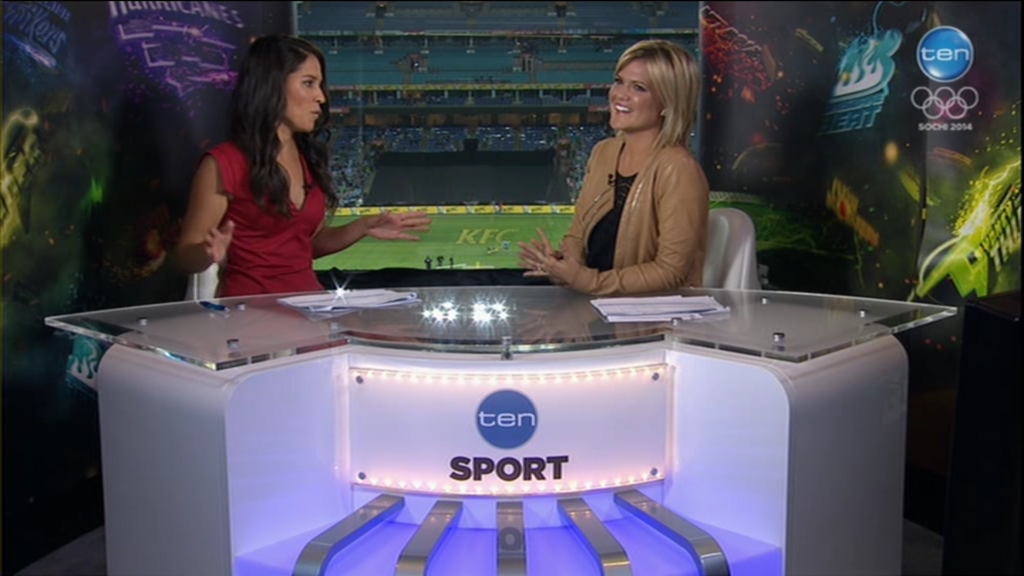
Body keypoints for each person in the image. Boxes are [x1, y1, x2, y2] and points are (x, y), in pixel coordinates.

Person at [175, 35, 431, 297]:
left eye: (320, 85)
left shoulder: (309, 158)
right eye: (308, 83)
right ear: (272, 86)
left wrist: (362, 227)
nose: (321, 97)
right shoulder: (223, 164)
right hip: (250, 312)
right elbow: (185, 257)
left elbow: (306, 245)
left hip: (310, 306)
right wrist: (207, 253)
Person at [518, 39, 709, 296]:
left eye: (639, 88)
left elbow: (670, 271)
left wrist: (586, 280)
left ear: (668, 103)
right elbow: (577, 234)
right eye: (619, 81)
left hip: (650, 310)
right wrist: (564, 267)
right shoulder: (603, 152)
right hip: (594, 301)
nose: (620, 94)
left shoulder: (679, 169)